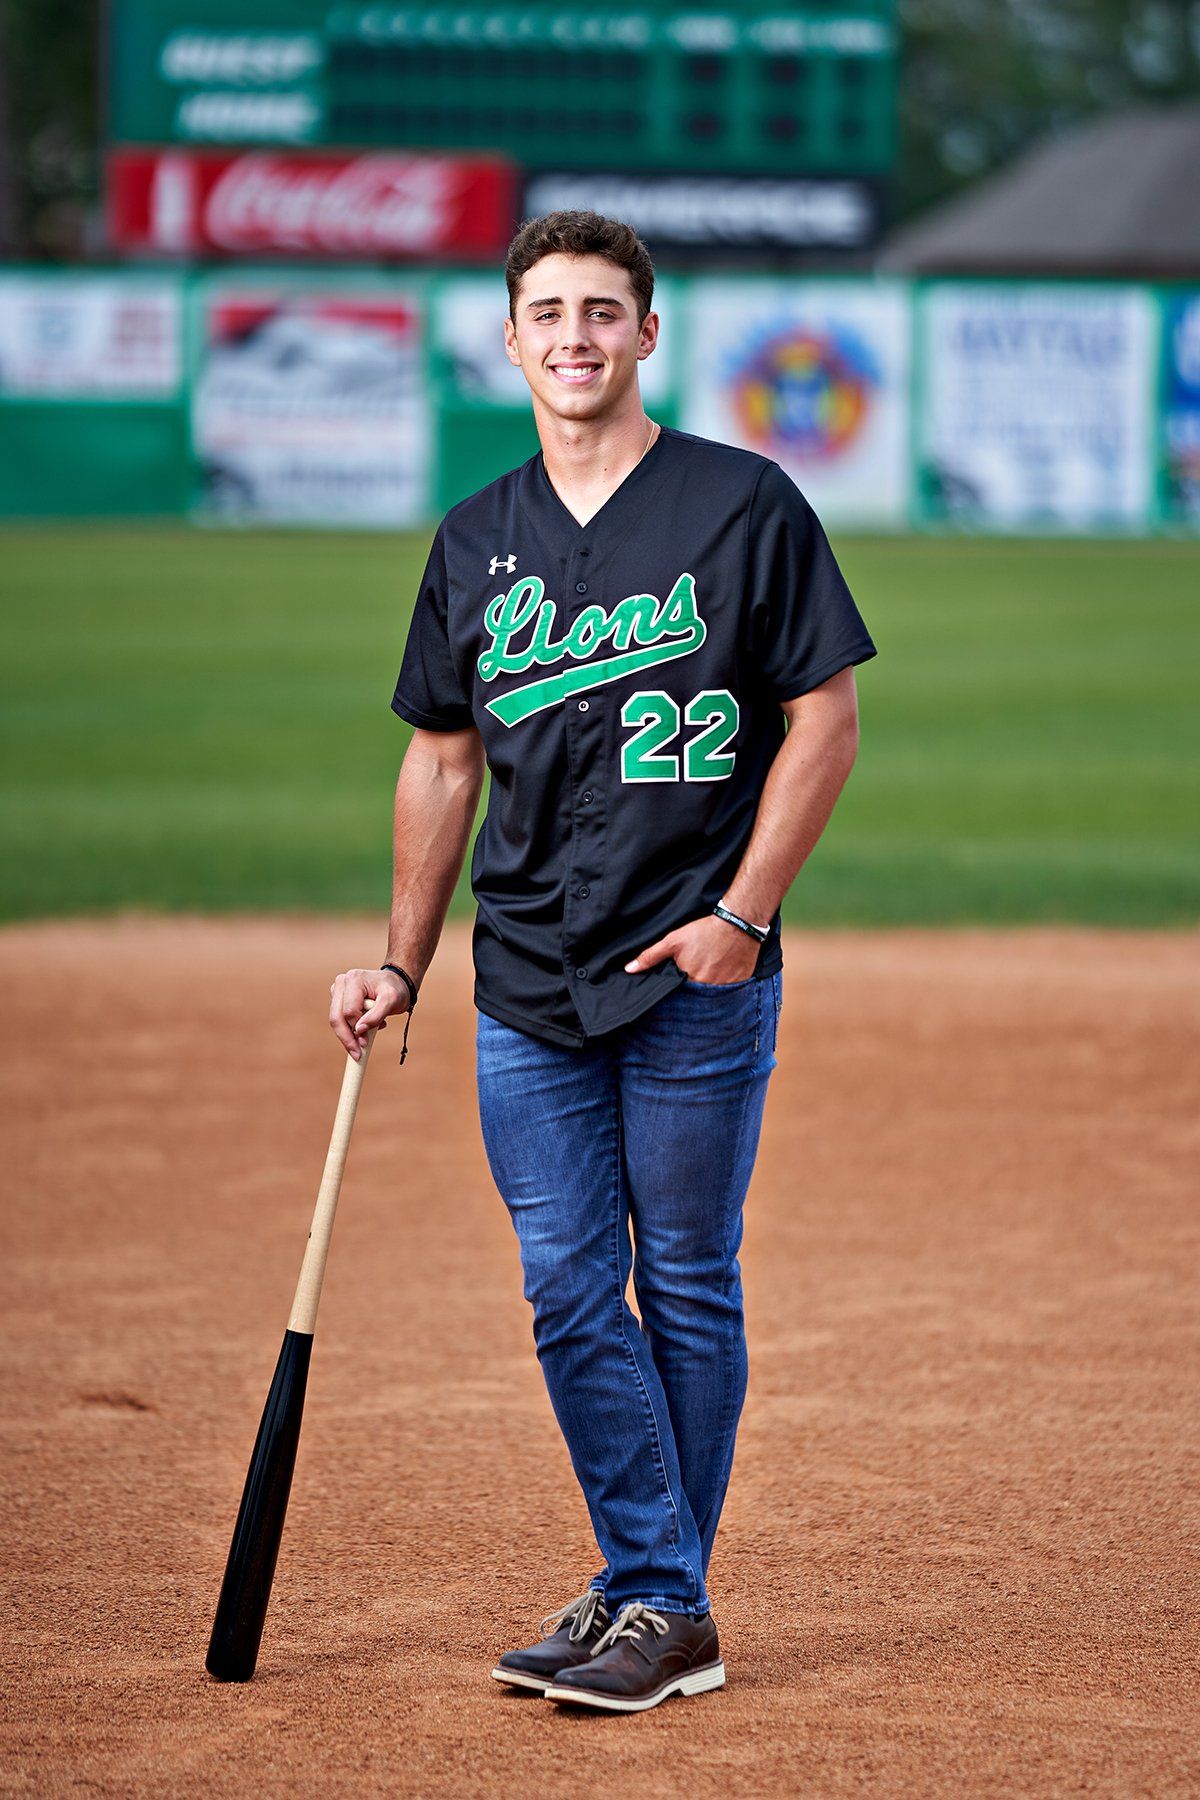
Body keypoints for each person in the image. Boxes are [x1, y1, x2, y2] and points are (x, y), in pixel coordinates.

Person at [329, 211, 878, 1713]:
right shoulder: (477, 537)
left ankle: (651, 1598)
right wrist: (401, 963)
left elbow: (823, 722)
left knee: (686, 1280)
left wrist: (745, 917)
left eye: (602, 311)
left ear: (648, 335)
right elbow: (443, 764)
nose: (574, 336)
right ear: (509, 341)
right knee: (571, 1285)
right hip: (527, 976)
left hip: (693, 965)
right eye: (547, 312)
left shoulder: (742, 504)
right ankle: (661, 1592)